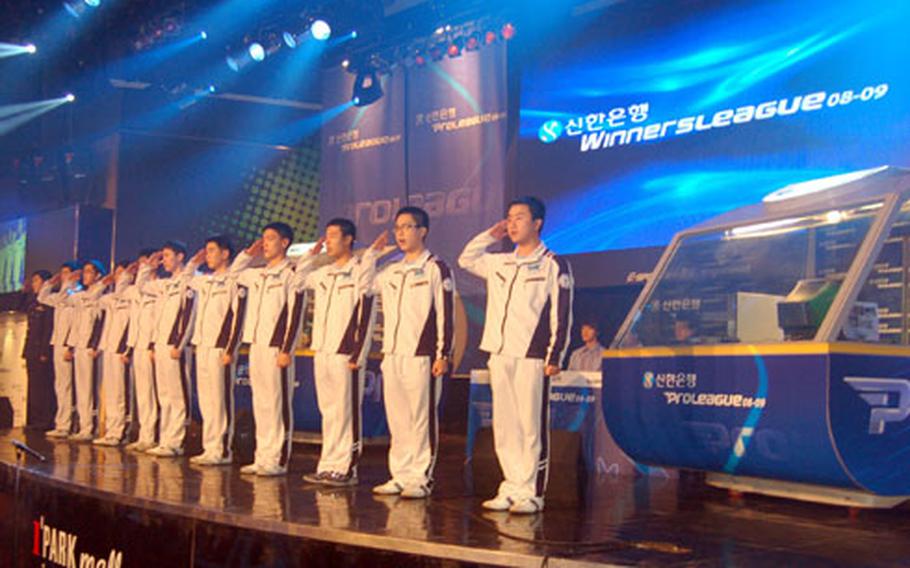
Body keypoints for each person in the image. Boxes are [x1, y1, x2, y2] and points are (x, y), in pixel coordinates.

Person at [458, 196, 573, 514]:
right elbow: (466, 258)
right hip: (499, 352)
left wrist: (555, 356)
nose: (511, 223)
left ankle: (531, 492)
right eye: (509, 218)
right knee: (505, 425)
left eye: (519, 217)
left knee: (529, 425)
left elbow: (562, 314)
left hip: (532, 355)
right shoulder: (500, 262)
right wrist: (489, 236)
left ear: (537, 223)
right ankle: (510, 487)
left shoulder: (552, 263)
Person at [371, 206, 455, 499]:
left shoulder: (436, 267)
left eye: (408, 227)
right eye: (398, 228)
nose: (401, 233)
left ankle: (420, 477)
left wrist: (443, 354)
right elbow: (362, 286)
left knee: (421, 417)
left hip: (422, 356)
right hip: (392, 355)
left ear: (423, 231)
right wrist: (373, 254)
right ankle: (400, 474)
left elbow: (446, 314)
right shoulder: (391, 269)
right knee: (398, 418)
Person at [301, 219, 386, 487]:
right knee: (328, 411)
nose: (327, 241)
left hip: (346, 352)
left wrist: (358, 353)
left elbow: (367, 314)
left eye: (333, 236)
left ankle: (346, 467)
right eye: (325, 236)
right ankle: (327, 465)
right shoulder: (323, 273)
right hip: (322, 350)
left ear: (349, 239)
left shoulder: (360, 271)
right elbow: (297, 282)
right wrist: (310, 256)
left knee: (345, 411)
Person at [230, 223, 316, 477]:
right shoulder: (257, 273)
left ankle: (277, 458)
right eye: (263, 239)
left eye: (270, 239)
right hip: (256, 344)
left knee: (277, 403)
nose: (265, 243)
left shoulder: (292, 272)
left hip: (277, 347)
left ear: (285, 242)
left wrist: (287, 348)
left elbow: (296, 312)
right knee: (261, 403)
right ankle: (262, 456)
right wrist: (248, 254)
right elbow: (234, 274)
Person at [185, 236, 244, 466]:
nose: (207, 255)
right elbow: (185, 281)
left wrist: (230, 348)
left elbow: (237, 316)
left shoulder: (233, 280)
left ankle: (221, 449)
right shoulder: (205, 281)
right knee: (207, 400)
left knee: (220, 399)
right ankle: (209, 447)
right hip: (203, 345)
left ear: (225, 253)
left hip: (221, 348)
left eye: (211, 251)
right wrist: (193, 263)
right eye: (206, 251)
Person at [137, 242, 196, 457]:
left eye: (168, 256)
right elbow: (142, 286)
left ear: (181, 256)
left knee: (177, 394)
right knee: (164, 395)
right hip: (161, 344)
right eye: (163, 257)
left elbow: (188, 314)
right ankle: (165, 439)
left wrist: (180, 344)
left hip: (175, 346)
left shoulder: (188, 281)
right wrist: (148, 267)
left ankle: (175, 441)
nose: (165, 260)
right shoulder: (164, 283)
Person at [64, 260, 108, 441]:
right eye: (84, 272)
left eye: (89, 272)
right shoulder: (80, 295)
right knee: (81, 388)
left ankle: (92, 427)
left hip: (92, 347)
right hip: (79, 345)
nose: (85, 275)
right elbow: (64, 298)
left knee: (92, 387)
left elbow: (101, 321)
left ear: (98, 274)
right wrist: (70, 283)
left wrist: (96, 345)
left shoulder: (102, 294)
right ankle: (83, 426)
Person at [123, 248, 161, 452]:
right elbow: (121, 290)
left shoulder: (158, 287)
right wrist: (129, 272)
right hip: (137, 344)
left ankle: (153, 435)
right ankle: (144, 435)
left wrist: (154, 345)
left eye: (146, 263)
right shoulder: (136, 290)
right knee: (142, 393)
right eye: (141, 264)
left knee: (153, 392)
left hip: (151, 345)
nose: (142, 267)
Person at [93, 261, 134, 446]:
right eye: (116, 274)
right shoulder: (110, 298)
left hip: (121, 349)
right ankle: (110, 431)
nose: (118, 277)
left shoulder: (132, 296)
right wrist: (103, 282)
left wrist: (127, 349)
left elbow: (133, 324)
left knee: (119, 392)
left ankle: (120, 432)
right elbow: (93, 297)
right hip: (108, 348)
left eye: (121, 274)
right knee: (109, 392)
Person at [39, 261, 81, 438]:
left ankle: (71, 424)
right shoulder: (61, 296)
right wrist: (50, 283)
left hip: (70, 345)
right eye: (62, 273)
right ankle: (62, 423)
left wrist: (70, 346)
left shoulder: (77, 294)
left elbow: (77, 324)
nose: (63, 276)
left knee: (71, 385)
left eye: (66, 273)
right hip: (58, 342)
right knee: (61, 385)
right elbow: (42, 297)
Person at [22, 270, 55, 431]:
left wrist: (44, 351)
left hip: (42, 350)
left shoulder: (49, 303)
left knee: (44, 386)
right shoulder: (33, 302)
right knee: (33, 386)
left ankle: (45, 419)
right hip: (31, 349)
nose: (34, 284)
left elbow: (48, 328)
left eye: (36, 281)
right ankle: (34, 419)